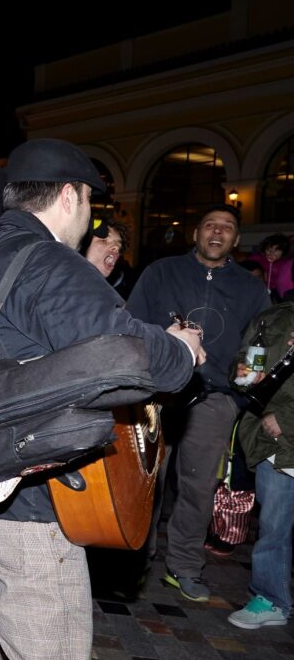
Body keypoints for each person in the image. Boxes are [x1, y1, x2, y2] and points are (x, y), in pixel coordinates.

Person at [0, 138, 201, 659]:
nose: (89, 215)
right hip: (35, 503)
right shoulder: (48, 263)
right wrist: (179, 351)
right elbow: (123, 356)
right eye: (89, 200)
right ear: (69, 196)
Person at [128, 204, 270, 602]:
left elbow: (259, 343)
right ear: (196, 233)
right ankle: (135, 561)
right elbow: (131, 323)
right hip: (156, 393)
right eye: (210, 225)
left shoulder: (251, 288)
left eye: (226, 228)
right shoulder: (161, 272)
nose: (217, 233)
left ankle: (184, 567)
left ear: (236, 240)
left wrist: (250, 372)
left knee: (198, 488)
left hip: (213, 399)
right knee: (145, 482)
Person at [229, 300, 294, 629]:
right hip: (277, 447)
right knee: (273, 528)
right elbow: (243, 360)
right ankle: (271, 598)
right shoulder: (273, 316)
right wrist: (241, 373)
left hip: (284, 428)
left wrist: (286, 418)